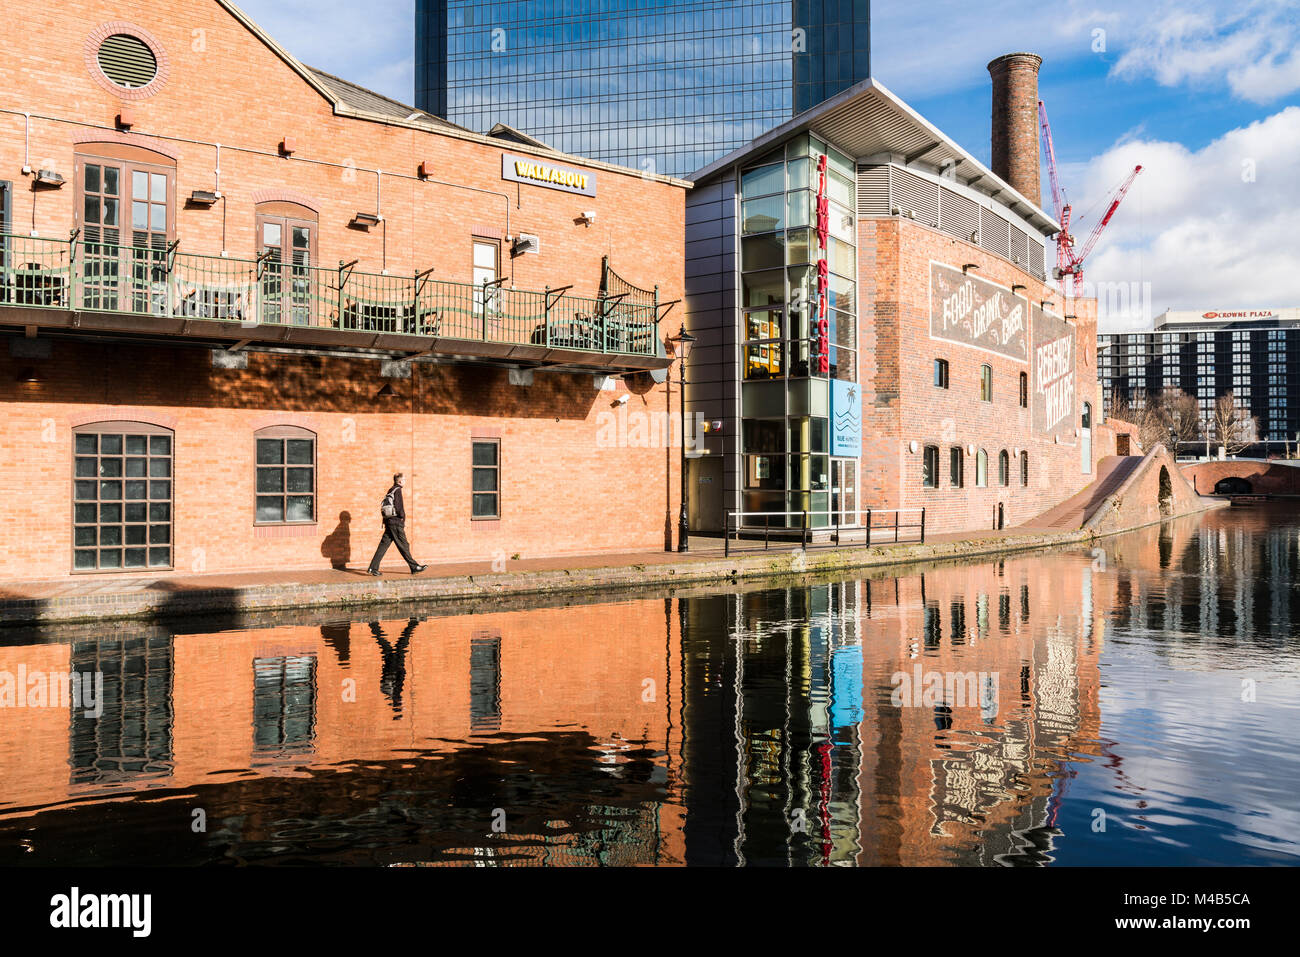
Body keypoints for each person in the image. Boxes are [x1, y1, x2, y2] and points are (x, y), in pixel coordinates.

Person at [367, 473, 427, 576]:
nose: (405, 481)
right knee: (403, 545)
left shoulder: (391, 490)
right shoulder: (398, 490)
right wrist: (402, 518)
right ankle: (414, 567)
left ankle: (373, 568)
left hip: (389, 522)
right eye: (404, 479)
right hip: (396, 523)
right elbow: (399, 507)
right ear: (399, 481)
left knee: (383, 546)